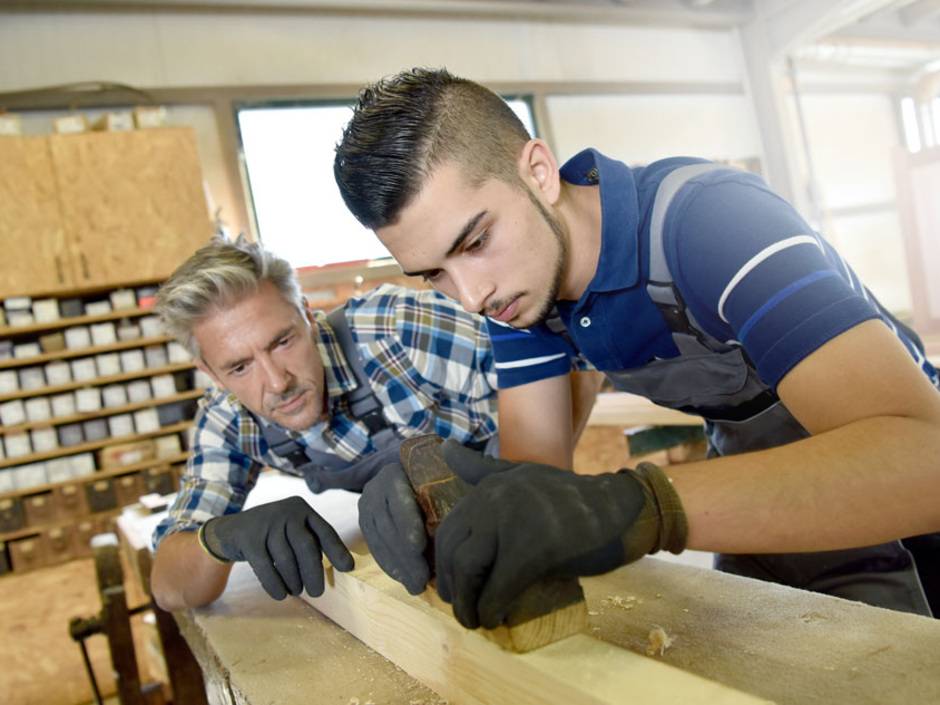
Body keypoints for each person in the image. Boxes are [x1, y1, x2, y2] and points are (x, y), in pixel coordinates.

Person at [333, 67, 940, 629]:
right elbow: (532, 482)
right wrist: (444, 508)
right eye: (433, 272)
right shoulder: (517, 293)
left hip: (906, 515)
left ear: (539, 172)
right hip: (759, 490)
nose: (470, 296)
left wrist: (638, 508)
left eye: (475, 241)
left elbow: (923, 461)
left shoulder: (707, 221)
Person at [149, 238, 501, 610]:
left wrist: (517, 488)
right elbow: (170, 588)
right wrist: (217, 539)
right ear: (210, 373)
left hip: (513, 498)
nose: (277, 382)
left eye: (282, 342)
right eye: (240, 367)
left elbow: (550, 370)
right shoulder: (228, 421)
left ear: (307, 315)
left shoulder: (394, 328)